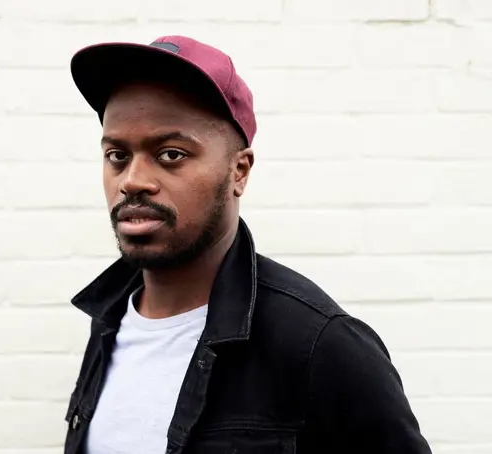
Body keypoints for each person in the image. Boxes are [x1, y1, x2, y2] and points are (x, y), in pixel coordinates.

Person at [64, 35, 432, 454]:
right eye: (117, 155)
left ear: (239, 171)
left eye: (170, 155)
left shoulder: (320, 343)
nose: (132, 180)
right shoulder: (110, 319)